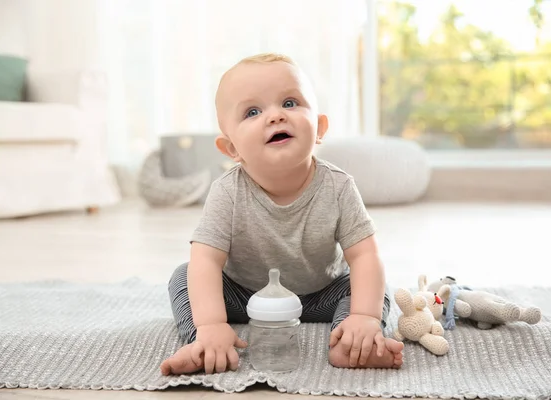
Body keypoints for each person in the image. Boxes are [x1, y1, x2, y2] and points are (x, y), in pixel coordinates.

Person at [160, 53, 404, 375]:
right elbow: (206, 259)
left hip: (321, 294)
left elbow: (364, 256)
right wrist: (211, 323)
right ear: (231, 149)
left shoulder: (339, 187)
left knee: (370, 288)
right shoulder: (227, 192)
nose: (275, 116)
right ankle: (204, 344)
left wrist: (365, 316)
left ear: (319, 127)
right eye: (253, 112)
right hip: (245, 296)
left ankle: (354, 341)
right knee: (185, 275)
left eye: (290, 103)